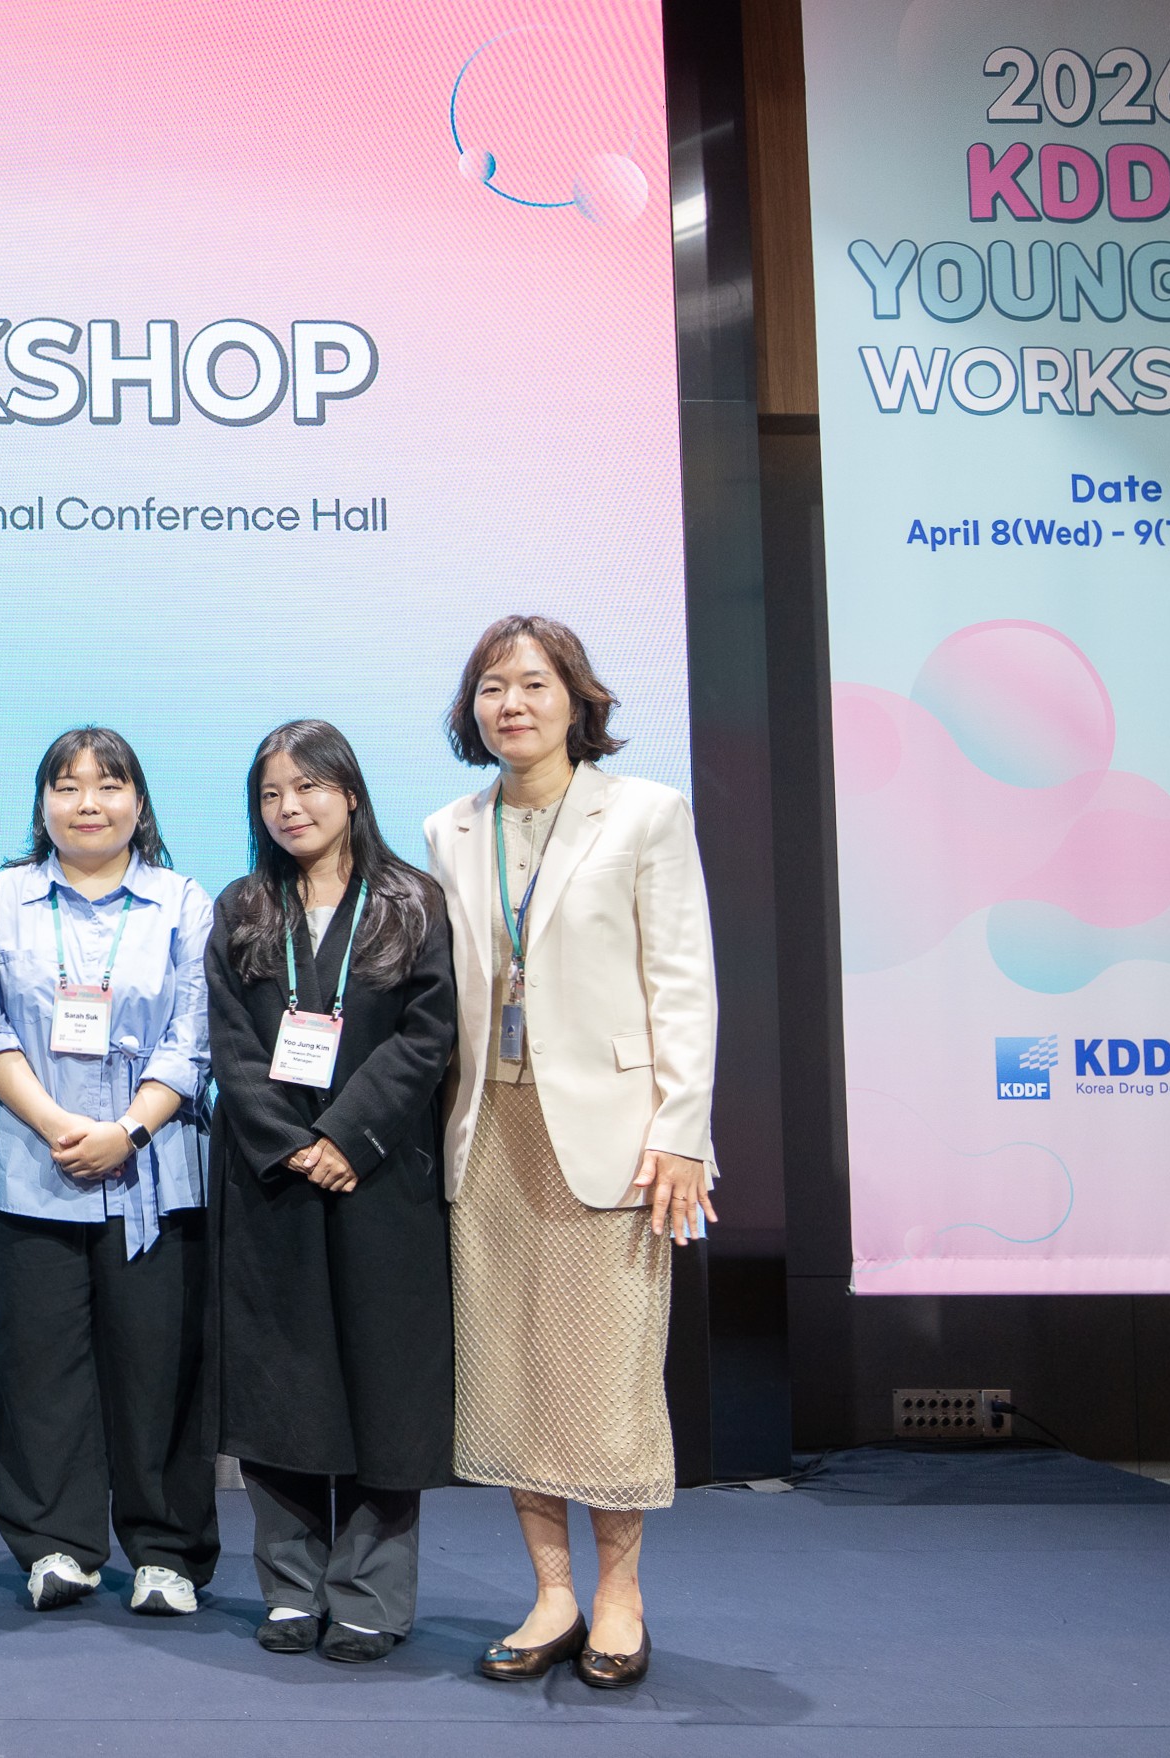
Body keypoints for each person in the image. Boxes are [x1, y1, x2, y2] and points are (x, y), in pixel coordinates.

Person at [425, 614, 717, 1690]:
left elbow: (681, 980)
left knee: (603, 1378)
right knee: (510, 1372)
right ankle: (551, 1595)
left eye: (533, 684)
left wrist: (681, 1130)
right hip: (488, 1131)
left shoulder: (643, 812)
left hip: (613, 1133)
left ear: (576, 700)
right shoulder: (449, 827)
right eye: (491, 687)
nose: (511, 704)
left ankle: (620, 1598)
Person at [0, 728, 218, 1620]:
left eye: (108, 785)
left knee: (157, 1369)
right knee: (39, 1365)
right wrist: (59, 1124)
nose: (87, 803)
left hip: (153, 1170)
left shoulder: (181, 902)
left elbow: (194, 1035)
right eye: (66, 787)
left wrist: (129, 1129)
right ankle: (54, 1546)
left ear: (138, 802)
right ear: (42, 805)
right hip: (27, 1164)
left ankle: (164, 1553)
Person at [206, 720, 457, 1665]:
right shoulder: (242, 908)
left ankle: (367, 1596)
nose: (290, 808)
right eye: (271, 793)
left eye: (308, 787)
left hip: (379, 1178)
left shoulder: (409, 901)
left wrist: (348, 1136)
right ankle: (289, 1590)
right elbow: (230, 1044)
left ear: (349, 793)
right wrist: (291, 1146)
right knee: (279, 1388)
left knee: (382, 1391)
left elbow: (427, 1036)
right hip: (269, 1183)